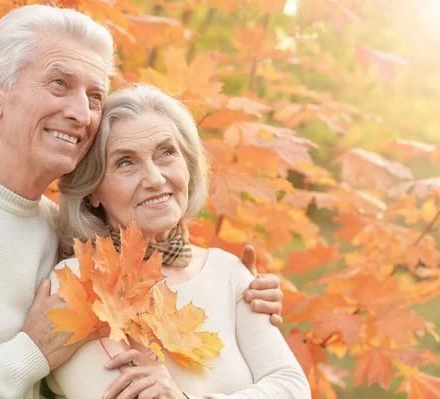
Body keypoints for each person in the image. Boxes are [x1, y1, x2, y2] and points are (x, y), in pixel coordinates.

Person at [0, 5, 285, 398]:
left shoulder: (65, 237)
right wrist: (27, 354)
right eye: (59, 84)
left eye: (95, 95)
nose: (81, 113)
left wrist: (240, 291)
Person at [46, 84, 310, 399]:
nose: (156, 178)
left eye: (166, 152)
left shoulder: (230, 272)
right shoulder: (81, 282)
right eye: (126, 162)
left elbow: (292, 387)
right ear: (92, 190)